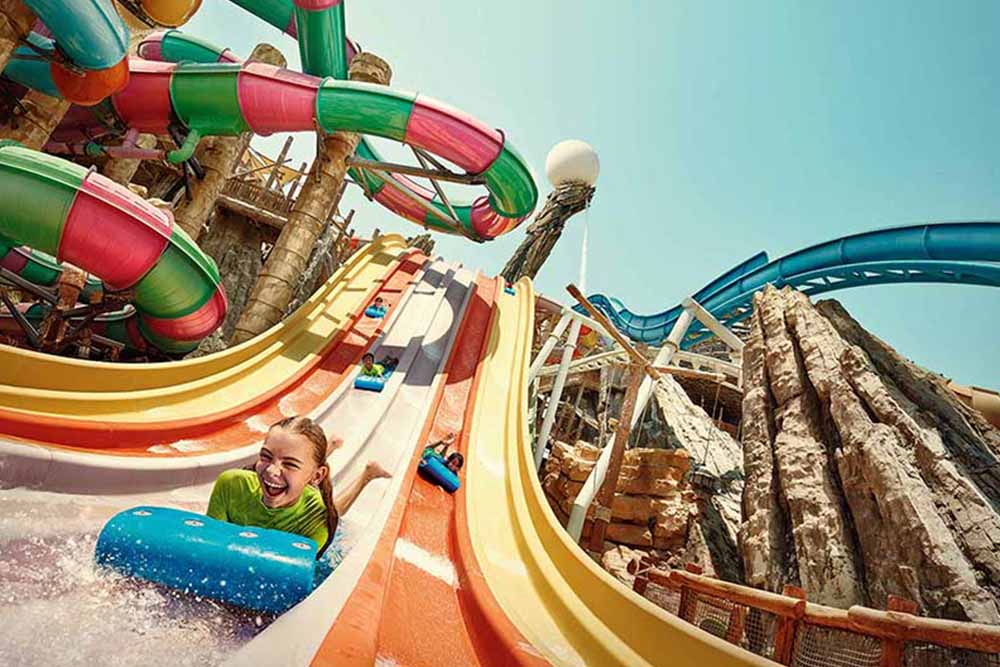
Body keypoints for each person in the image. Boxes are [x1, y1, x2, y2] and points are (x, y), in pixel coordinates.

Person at [206, 416, 390, 558]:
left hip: (309, 490)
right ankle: (326, 448)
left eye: (290, 464)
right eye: (266, 456)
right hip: (300, 478)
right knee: (297, 469)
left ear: (318, 476)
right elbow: (210, 545)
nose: (271, 470)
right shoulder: (231, 484)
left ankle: (367, 475)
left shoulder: (317, 514)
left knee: (335, 511)